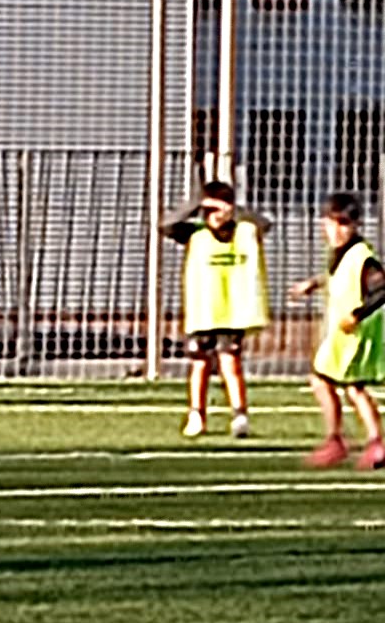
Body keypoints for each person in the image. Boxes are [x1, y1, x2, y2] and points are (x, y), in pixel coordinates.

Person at [158, 180, 270, 438]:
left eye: (218, 210)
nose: (214, 216)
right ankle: (197, 414)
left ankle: (239, 414)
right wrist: (196, 203)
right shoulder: (195, 232)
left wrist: (233, 209)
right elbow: (165, 226)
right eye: (209, 211)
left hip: (233, 312)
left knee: (231, 364)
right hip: (203, 312)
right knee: (200, 365)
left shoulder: (244, 231)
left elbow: (264, 224)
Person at [288, 190, 385, 469]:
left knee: (323, 380)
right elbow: (339, 277)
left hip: (353, 332)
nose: (337, 231)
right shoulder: (341, 253)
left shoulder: (362, 255)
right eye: (333, 224)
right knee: (352, 387)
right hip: (346, 333)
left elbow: (381, 288)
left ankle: (340, 441)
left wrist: (357, 314)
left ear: (355, 226)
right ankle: (371, 441)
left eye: (344, 225)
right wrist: (314, 284)